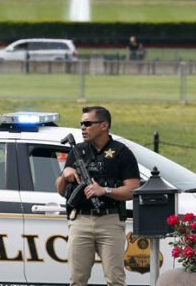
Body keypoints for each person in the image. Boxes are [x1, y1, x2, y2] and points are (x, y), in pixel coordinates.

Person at [55, 106, 140, 286]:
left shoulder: (121, 152)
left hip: (110, 221)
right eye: (81, 124)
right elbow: (61, 191)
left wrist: (105, 190)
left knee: (115, 279)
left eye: (87, 123)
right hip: (80, 220)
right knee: (77, 280)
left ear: (104, 125)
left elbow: (133, 190)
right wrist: (65, 174)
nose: (83, 128)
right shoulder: (77, 151)